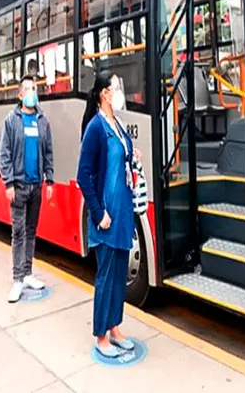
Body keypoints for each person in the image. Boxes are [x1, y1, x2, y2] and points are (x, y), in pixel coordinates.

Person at [76, 71, 147, 360]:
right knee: (105, 276)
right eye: (116, 87)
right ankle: (101, 334)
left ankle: (116, 327)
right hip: (106, 216)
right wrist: (97, 212)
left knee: (119, 276)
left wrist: (133, 155)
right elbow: (84, 175)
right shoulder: (95, 128)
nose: (120, 92)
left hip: (123, 214)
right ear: (104, 93)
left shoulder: (116, 124)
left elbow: (121, 157)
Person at [0, 75, 54, 302]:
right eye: (28, 89)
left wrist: (49, 180)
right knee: (18, 232)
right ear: (20, 95)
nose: (33, 92)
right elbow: (5, 154)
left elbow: (48, 152)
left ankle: (28, 273)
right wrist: (9, 182)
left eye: (35, 88)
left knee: (31, 231)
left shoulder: (43, 120)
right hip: (19, 186)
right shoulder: (11, 120)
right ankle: (17, 279)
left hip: (36, 186)